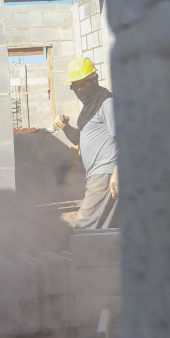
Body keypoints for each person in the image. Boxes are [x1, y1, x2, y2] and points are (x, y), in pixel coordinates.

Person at [53, 57, 118, 229]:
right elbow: (78, 139)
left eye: (84, 84)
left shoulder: (107, 103)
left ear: (94, 80)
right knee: (106, 230)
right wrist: (66, 127)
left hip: (105, 174)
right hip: (96, 176)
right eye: (76, 85)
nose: (80, 89)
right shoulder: (89, 108)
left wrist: (118, 173)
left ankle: (82, 257)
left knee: (84, 227)